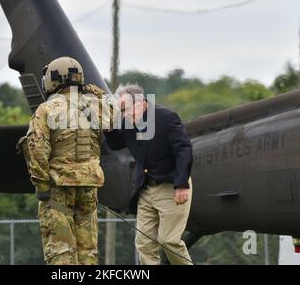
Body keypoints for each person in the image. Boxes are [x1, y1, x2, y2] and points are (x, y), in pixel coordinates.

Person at [17, 56, 108, 265]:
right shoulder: (95, 108)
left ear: (53, 80)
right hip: (89, 186)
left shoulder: (47, 109)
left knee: (60, 252)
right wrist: (90, 90)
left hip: (59, 188)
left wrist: (41, 185)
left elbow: (37, 146)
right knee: (88, 252)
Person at [104, 83, 194, 265]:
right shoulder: (127, 121)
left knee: (168, 241)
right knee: (144, 244)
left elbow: (184, 150)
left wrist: (182, 184)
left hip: (171, 187)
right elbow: (115, 144)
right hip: (146, 189)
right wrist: (109, 128)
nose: (123, 114)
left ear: (142, 103)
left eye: (124, 109)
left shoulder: (166, 117)